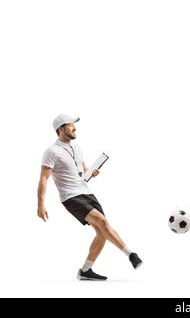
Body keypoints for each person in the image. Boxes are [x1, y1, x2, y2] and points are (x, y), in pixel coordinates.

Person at [37, 114, 143, 281]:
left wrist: (90, 172)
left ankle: (86, 270)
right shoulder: (51, 151)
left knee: (102, 233)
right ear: (60, 129)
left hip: (86, 192)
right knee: (103, 223)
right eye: (70, 125)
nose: (74, 128)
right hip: (71, 197)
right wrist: (40, 205)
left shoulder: (77, 148)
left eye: (74, 125)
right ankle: (131, 254)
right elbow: (43, 178)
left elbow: (82, 171)